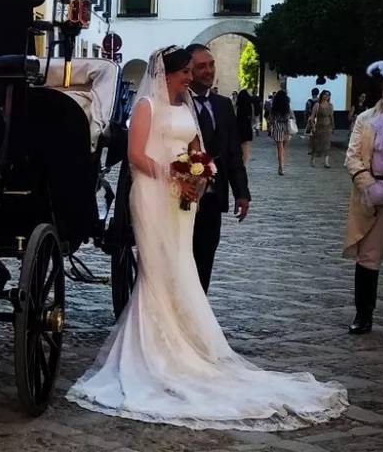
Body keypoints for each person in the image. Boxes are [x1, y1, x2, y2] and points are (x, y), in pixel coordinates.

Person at [65, 45, 347, 430]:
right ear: (172, 73)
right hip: (151, 192)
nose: (190, 78)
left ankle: (187, 340)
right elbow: (135, 155)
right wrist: (172, 172)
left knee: (182, 264)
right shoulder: (147, 105)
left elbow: (197, 147)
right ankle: (156, 348)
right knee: (158, 268)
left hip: (183, 196)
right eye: (185, 73)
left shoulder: (186, 108)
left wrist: (199, 170)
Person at [186, 44, 251, 292]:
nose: (208, 71)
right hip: (183, 195)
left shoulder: (223, 105)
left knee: (206, 256)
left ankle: (199, 309)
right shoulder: (177, 104)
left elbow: (233, 153)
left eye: (211, 64)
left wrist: (242, 193)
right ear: (188, 70)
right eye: (201, 66)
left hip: (214, 198)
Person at [345, 61, 383, 334]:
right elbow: (352, 157)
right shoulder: (366, 119)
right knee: (367, 258)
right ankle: (364, 314)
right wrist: (370, 186)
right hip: (373, 196)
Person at [310, 90, 335, 168]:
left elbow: (331, 117)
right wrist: (313, 126)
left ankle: (326, 162)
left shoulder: (330, 105)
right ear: (322, 95)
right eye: (325, 95)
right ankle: (313, 159)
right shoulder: (317, 105)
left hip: (328, 128)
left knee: (327, 145)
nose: (326, 96)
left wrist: (333, 126)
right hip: (319, 127)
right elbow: (312, 117)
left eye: (328, 95)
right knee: (316, 144)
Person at [270, 90, 292, 175]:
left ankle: (281, 167)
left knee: (280, 149)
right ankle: (282, 165)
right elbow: (290, 117)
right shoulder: (287, 107)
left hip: (278, 127)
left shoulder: (274, 107)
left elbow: (271, 119)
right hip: (286, 128)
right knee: (284, 149)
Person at [236, 89, 255, 165]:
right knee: (246, 146)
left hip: (238, 126)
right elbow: (253, 117)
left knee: (238, 146)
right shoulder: (250, 105)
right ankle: (244, 164)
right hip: (247, 126)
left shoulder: (238, 106)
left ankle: (238, 162)